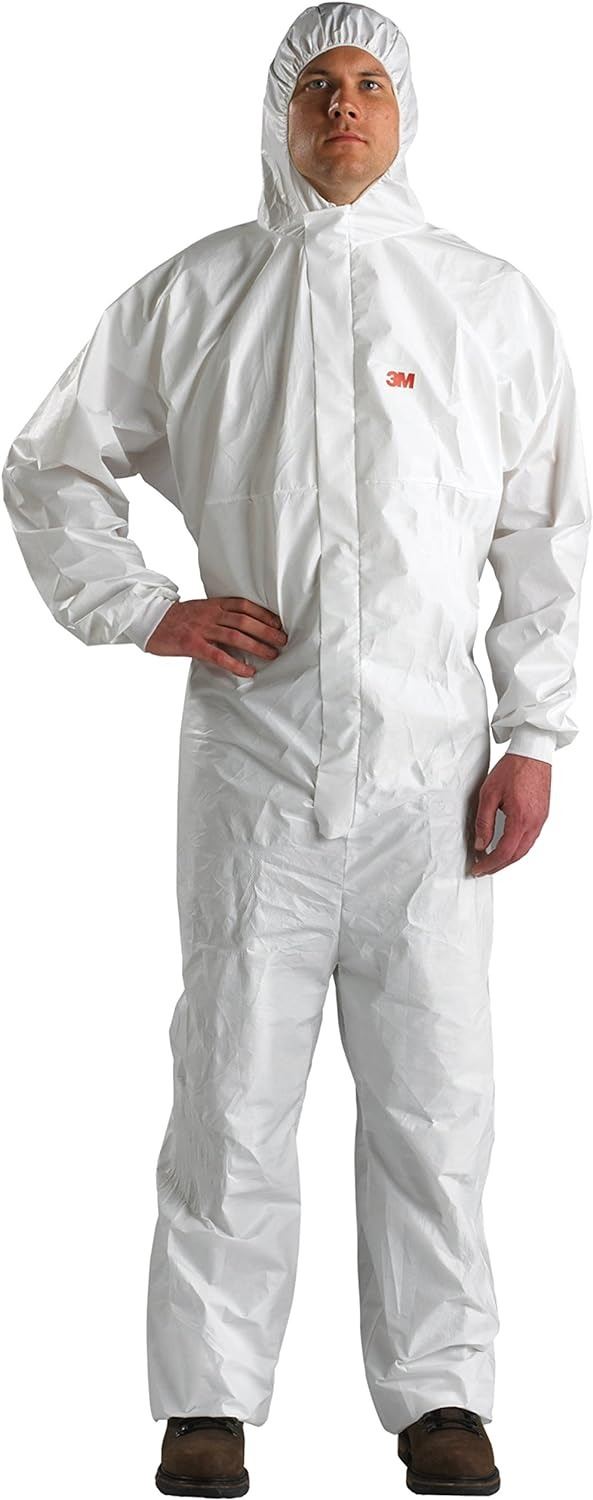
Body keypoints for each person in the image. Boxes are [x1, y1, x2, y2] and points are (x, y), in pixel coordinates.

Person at [2, 4, 590, 1496]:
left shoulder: (487, 304)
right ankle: (207, 1402)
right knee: (230, 1087)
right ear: (278, 110)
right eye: (318, 84)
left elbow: (547, 536)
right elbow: (51, 463)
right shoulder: (193, 295)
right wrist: (149, 611)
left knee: (436, 1101)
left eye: (369, 83)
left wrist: (534, 734)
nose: (343, 107)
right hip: (256, 766)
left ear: (406, 111)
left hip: (435, 775)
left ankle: (440, 1398)